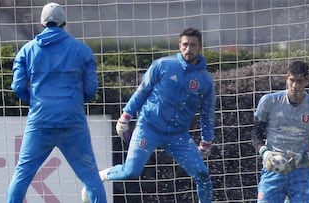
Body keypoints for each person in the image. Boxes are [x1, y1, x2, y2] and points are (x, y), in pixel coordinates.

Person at [81, 27, 216, 203]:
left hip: (178, 136)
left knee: (202, 174)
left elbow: (208, 113)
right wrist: (126, 116)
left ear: (200, 47)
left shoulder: (205, 80)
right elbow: (142, 91)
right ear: (179, 45)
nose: (188, 49)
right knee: (131, 171)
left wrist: (207, 140)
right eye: (185, 44)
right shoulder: (163, 65)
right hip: (149, 127)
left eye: (193, 45)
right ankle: (99, 177)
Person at [7, 2, 106, 203]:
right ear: (64, 23)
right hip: (72, 121)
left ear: (42, 24)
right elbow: (91, 89)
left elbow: (17, 87)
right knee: (90, 176)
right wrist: (73, 103)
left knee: (22, 174)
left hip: (40, 121)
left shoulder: (27, 51)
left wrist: (35, 102)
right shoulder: (83, 51)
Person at [252, 60, 309, 203]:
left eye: (299, 81)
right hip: (273, 170)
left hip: (300, 173)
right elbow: (256, 135)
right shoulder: (269, 102)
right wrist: (265, 152)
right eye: (291, 80)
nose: (295, 86)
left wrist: (304, 157)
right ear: (286, 78)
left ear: (307, 81)